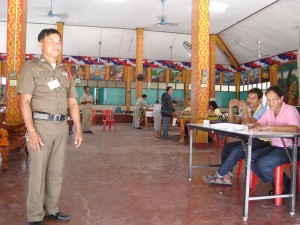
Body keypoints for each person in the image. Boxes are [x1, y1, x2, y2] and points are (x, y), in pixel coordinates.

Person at [16, 28, 83, 225]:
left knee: (55, 171)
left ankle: (51, 209)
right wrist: (32, 131)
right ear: (40, 44)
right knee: (38, 171)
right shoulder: (31, 68)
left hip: (62, 126)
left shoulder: (65, 71)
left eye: (59, 41)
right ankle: (35, 215)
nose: (56, 44)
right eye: (51, 40)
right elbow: (24, 101)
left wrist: (78, 128)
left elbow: (72, 102)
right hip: (41, 125)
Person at [202, 88, 270, 185]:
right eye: (249, 98)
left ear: (260, 100)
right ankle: (226, 176)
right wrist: (230, 107)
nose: (250, 100)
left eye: (253, 98)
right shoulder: (248, 109)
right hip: (250, 140)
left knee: (237, 150)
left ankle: (219, 174)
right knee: (227, 147)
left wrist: (244, 107)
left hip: (263, 141)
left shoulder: (263, 110)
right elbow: (232, 123)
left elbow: (248, 124)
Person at [250, 86, 300, 195]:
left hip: (291, 148)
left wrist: (269, 127)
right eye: (268, 100)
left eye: (274, 99)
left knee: (263, 163)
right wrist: (251, 126)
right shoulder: (269, 112)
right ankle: (284, 183)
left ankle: (280, 184)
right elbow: (260, 123)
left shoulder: (290, 110)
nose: (271, 102)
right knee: (250, 156)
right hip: (276, 147)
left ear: (281, 99)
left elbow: (295, 129)